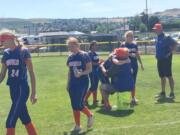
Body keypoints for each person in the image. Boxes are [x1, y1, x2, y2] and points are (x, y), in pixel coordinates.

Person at [0, 30, 37, 135]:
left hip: (22, 88)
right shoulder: (6, 54)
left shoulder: (23, 51)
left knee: (10, 121)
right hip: (12, 89)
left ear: (10, 39)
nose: (1, 44)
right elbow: (2, 74)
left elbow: (31, 72)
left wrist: (33, 93)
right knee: (24, 117)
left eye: (2, 41)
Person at [66, 37, 94, 132]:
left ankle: (89, 115)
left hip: (82, 83)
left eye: (72, 46)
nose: (71, 48)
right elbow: (69, 72)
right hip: (72, 84)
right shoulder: (70, 57)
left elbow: (90, 69)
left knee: (78, 104)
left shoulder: (84, 55)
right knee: (74, 105)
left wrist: (81, 73)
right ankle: (77, 126)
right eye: (69, 46)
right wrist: (68, 83)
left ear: (77, 45)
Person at [153, 23, 177, 99]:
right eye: (154, 29)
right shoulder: (158, 37)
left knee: (169, 76)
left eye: (156, 29)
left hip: (166, 60)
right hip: (159, 60)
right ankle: (163, 93)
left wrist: (171, 52)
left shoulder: (166, 37)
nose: (155, 31)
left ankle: (172, 93)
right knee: (162, 77)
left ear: (160, 29)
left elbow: (175, 43)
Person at [121, 31, 144, 105]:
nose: (131, 37)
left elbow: (137, 55)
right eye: (129, 36)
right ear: (126, 37)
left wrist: (141, 63)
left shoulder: (134, 45)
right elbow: (120, 55)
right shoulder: (123, 45)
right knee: (126, 81)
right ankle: (124, 98)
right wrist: (130, 54)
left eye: (132, 36)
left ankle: (133, 98)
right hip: (126, 66)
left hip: (134, 66)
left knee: (133, 82)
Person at [84, 41, 100, 106]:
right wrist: (98, 63)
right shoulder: (89, 53)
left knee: (95, 86)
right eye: (95, 45)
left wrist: (100, 62)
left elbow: (96, 61)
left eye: (97, 45)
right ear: (92, 46)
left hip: (96, 71)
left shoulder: (95, 53)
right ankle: (84, 100)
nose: (97, 46)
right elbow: (90, 63)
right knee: (93, 86)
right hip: (92, 71)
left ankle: (94, 100)